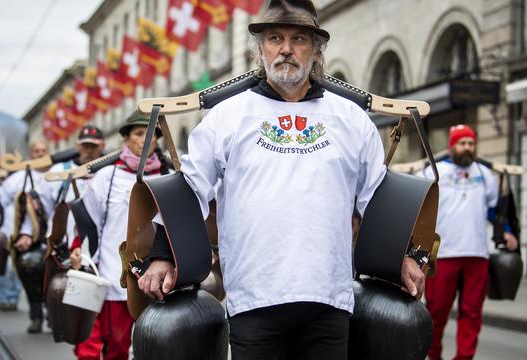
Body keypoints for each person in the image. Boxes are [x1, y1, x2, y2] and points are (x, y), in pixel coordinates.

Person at [137, 1, 425, 359]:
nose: (286, 49)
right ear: (261, 50)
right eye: (275, 38)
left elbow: (375, 198)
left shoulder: (351, 119)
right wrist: (163, 254)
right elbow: (190, 188)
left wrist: (403, 255)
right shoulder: (227, 116)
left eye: (299, 39)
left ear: (316, 52)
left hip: (329, 299)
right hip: (254, 299)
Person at [69, 113, 169, 360]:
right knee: (116, 345)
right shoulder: (107, 177)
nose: (146, 139)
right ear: (125, 138)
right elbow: (85, 220)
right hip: (116, 276)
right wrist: (77, 247)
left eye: (151, 134)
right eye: (138, 133)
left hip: (161, 276)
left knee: (159, 346)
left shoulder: (169, 175)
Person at [418, 124, 518, 360]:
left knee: (472, 313)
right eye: (462, 143)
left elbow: (494, 211)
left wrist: (506, 231)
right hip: (442, 255)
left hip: (477, 255)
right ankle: (434, 355)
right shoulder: (433, 170)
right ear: (453, 146)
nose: (468, 148)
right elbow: (419, 206)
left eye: (471, 144)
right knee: (437, 312)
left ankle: (465, 357)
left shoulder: (484, 175)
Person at [14, 125, 105, 333]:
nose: (89, 150)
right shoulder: (58, 173)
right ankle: (39, 313)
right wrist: (27, 233)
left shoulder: (110, 172)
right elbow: (38, 209)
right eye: (85, 146)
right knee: (30, 263)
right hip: (62, 242)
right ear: (77, 146)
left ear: (102, 146)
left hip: (98, 242)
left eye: (93, 146)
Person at [0, 140, 49, 313]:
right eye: (36, 151)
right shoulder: (17, 179)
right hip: (22, 235)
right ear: (30, 154)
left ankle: (49, 313)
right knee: (20, 269)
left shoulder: (56, 174)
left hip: (48, 236)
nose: (40, 154)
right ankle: (15, 301)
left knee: (48, 275)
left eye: (43, 151)